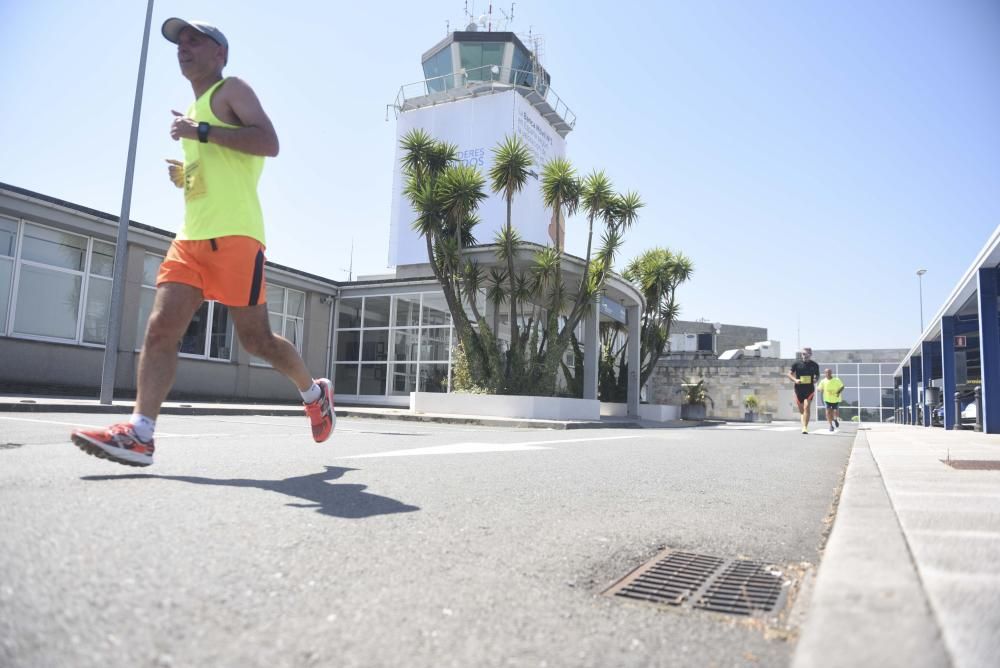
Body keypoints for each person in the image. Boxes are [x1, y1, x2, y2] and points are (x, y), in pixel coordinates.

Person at [71, 19, 334, 466]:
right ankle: (140, 434)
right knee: (159, 331)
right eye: (179, 42)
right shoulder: (191, 116)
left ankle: (314, 393)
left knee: (257, 342)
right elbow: (221, 170)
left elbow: (269, 143)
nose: (183, 47)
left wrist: (203, 133)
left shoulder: (232, 89)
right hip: (190, 239)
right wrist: (189, 175)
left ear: (220, 54)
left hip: (237, 237)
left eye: (195, 40)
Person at [787, 347, 820, 434]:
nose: (805, 355)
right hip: (799, 390)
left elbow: (817, 376)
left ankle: (805, 427)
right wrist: (795, 380)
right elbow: (789, 374)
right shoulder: (796, 364)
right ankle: (804, 424)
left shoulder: (815, 365)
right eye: (803, 354)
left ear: (810, 354)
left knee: (807, 407)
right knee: (802, 410)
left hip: (809, 389)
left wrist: (816, 379)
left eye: (807, 354)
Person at [817, 368, 845, 432]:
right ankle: (831, 426)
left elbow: (842, 386)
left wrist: (838, 392)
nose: (828, 374)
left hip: (835, 399)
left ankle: (835, 419)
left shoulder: (836, 380)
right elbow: (819, 389)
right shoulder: (823, 381)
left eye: (829, 372)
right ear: (825, 373)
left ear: (831, 373)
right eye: (826, 372)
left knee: (835, 413)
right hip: (827, 399)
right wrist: (819, 389)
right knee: (828, 412)